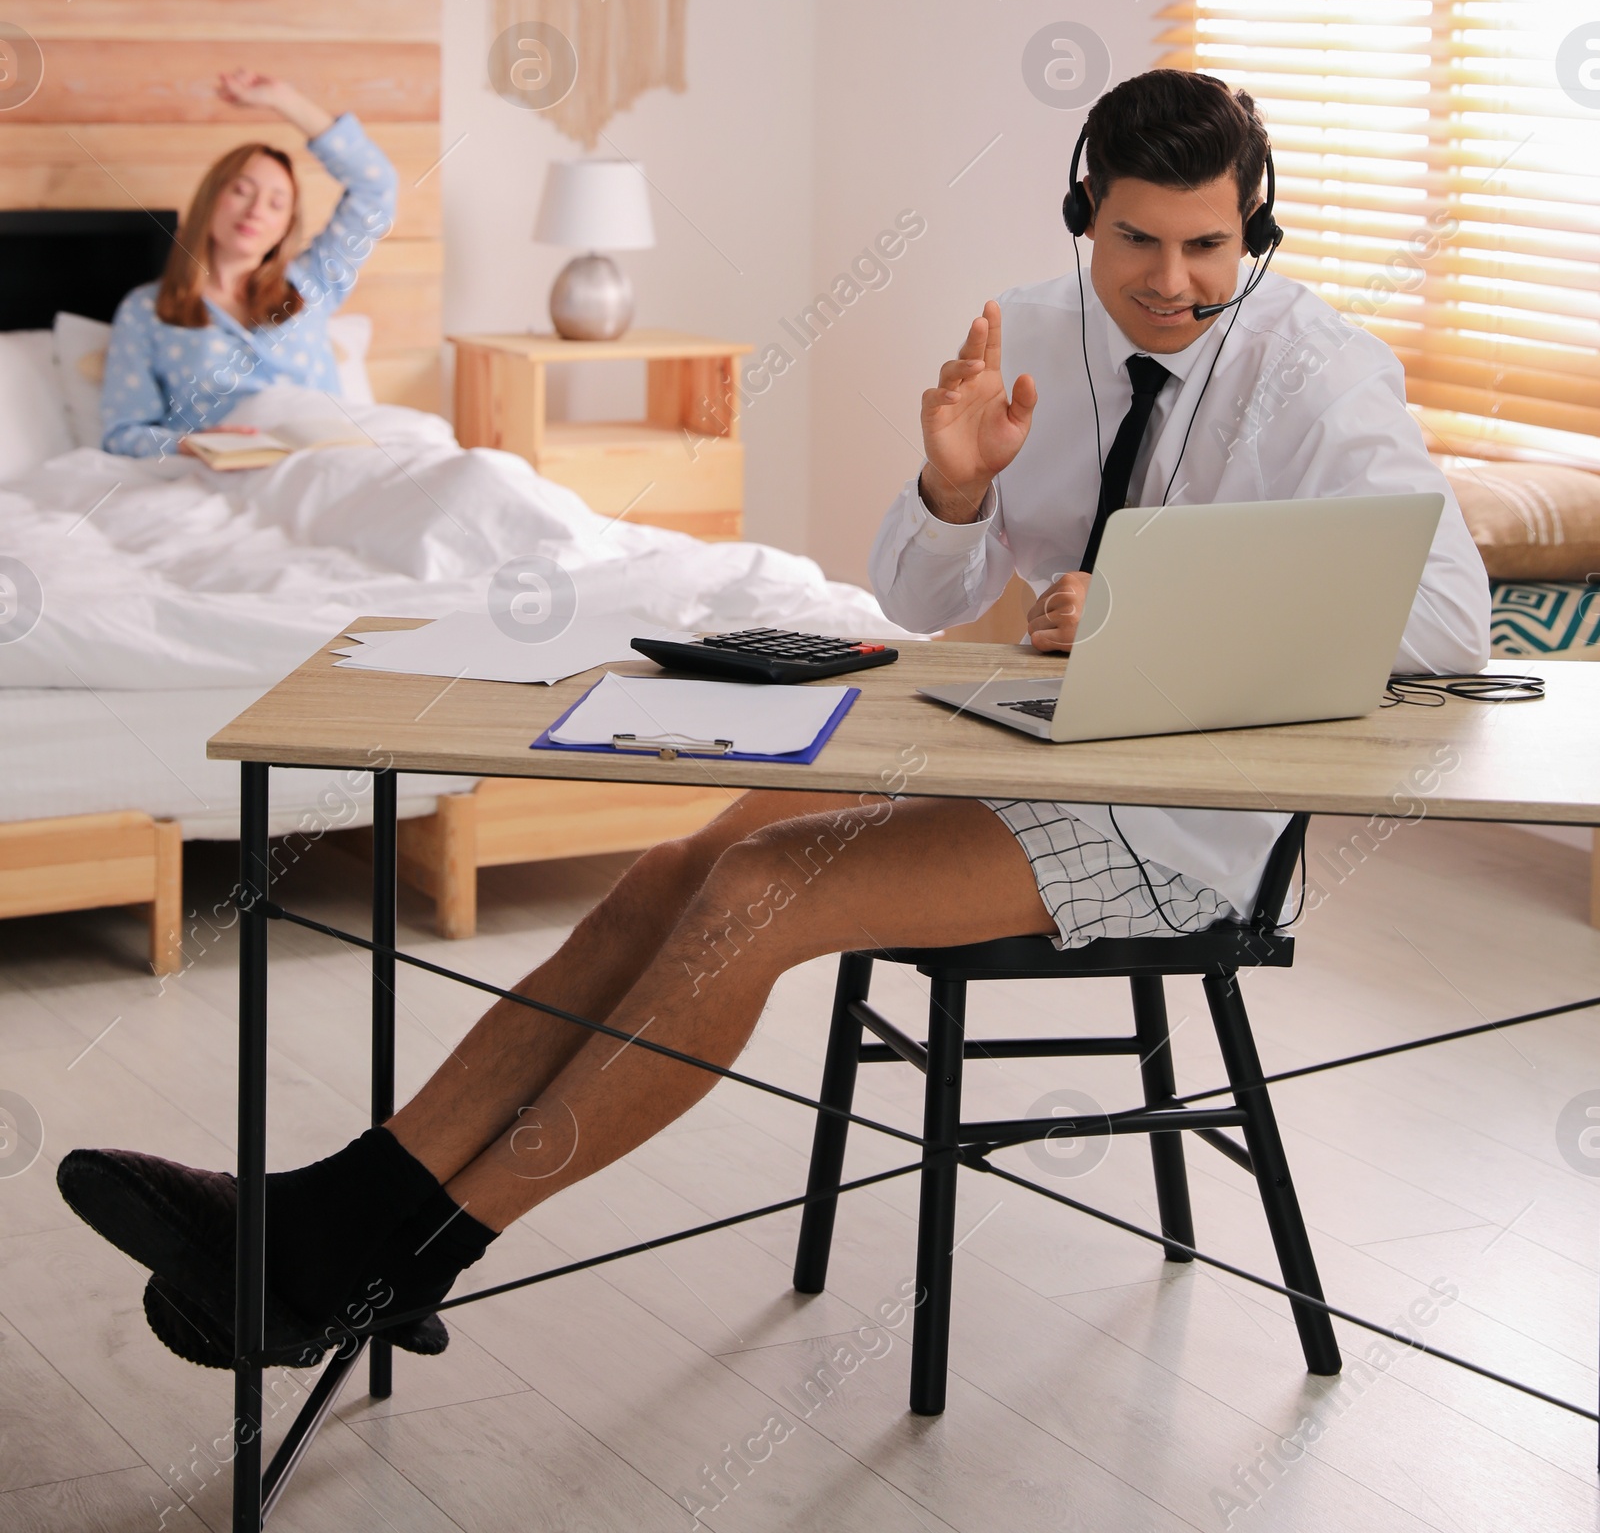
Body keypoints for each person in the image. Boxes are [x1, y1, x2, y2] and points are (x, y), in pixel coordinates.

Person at [58, 68, 1487, 1370]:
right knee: (672, 870)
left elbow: (1445, 620)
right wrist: (953, 487)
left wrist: (1150, 616)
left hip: (1180, 810)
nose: (1172, 283)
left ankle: (383, 1255)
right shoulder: (1035, 330)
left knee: (754, 892)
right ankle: (340, 1212)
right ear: (1082, 219)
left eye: (1209, 248)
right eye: (1137, 242)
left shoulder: (1319, 372)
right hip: (1020, 735)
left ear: (1258, 234)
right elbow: (918, 593)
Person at [100, 71, 398, 458]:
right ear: (212, 198)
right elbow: (123, 433)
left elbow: (376, 188)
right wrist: (190, 446)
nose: (256, 211)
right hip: (226, 470)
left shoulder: (314, 282)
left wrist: (284, 101)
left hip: (325, 456)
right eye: (242, 191)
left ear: (285, 227)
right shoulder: (146, 311)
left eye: (276, 203)